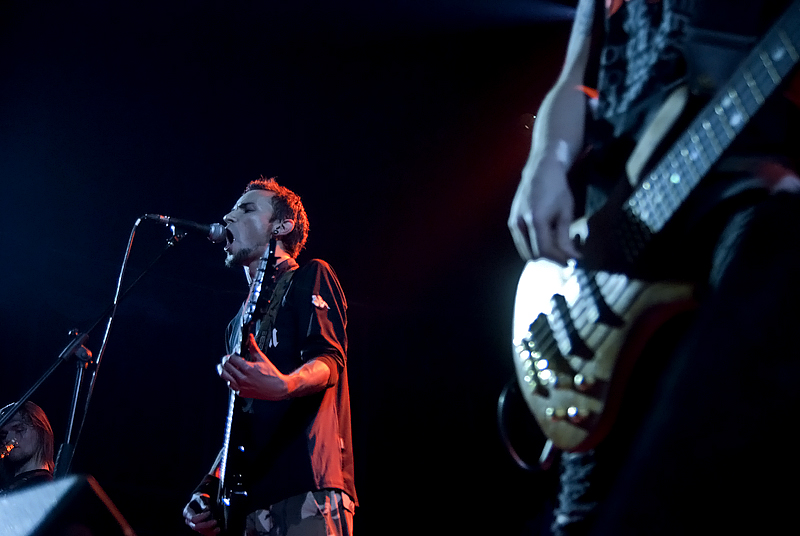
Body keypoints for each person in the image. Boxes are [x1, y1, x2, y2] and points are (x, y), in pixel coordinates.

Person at [508, 1, 800, 534]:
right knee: (586, 504)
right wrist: (545, 159)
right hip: (614, 227)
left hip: (738, 198)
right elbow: (576, 77)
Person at [183, 177, 357, 536]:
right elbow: (241, 417)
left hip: (306, 486)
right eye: (231, 210)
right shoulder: (236, 324)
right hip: (248, 504)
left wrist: (283, 385)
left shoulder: (310, 276)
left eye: (246, 209)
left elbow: (328, 360)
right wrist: (209, 485)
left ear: (282, 226)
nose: (228, 218)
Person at [0, 401, 55, 493]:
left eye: (19, 429)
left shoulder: (43, 488)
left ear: (41, 430)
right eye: (3, 435)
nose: (9, 438)